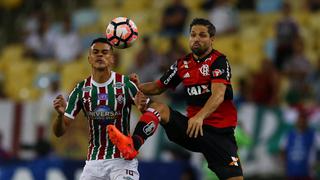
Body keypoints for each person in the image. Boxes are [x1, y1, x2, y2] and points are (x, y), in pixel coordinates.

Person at [108, 18, 243, 180]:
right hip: (193, 130)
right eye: (193, 35)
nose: (196, 39)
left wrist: (200, 116)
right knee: (160, 108)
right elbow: (158, 87)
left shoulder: (219, 61)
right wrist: (138, 86)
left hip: (219, 134)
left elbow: (219, 94)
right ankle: (132, 145)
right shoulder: (183, 64)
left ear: (212, 39)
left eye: (202, 35)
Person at [52, 37, 160, 180]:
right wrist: (60, 116)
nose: (100, 55)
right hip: (93, 164)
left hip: (122, 162)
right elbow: (59, 132)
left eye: (105, 52)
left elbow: (154, 113)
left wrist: (142, 110)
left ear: (112, 59)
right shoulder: (80, 90)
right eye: (95, 52)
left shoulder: (126, 84)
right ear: (89, 58)